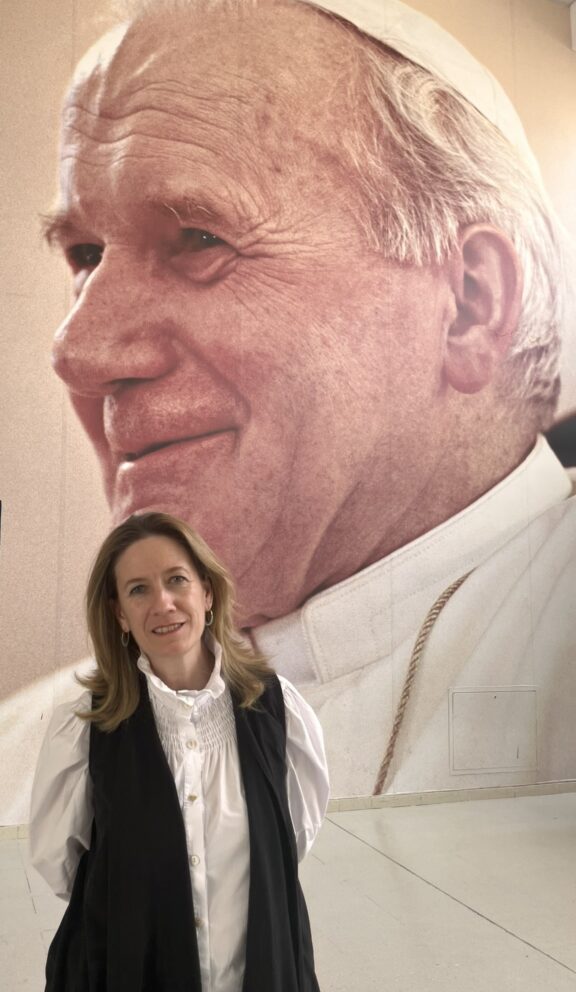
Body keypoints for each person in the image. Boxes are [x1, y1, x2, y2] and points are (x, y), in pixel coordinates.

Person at [16, 0, 576, 805]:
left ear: (470, 303)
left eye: (199, 239)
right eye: (85, 254)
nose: (78, 353)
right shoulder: (27, 760)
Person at [29, 511, 330, 992]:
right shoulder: (85, 728)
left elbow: (290, 842)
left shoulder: (280, 713)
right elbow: (63, 864)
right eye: (138, 590)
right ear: (119, 613)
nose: (162, 603)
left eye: (176, 580)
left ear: (207, 593)